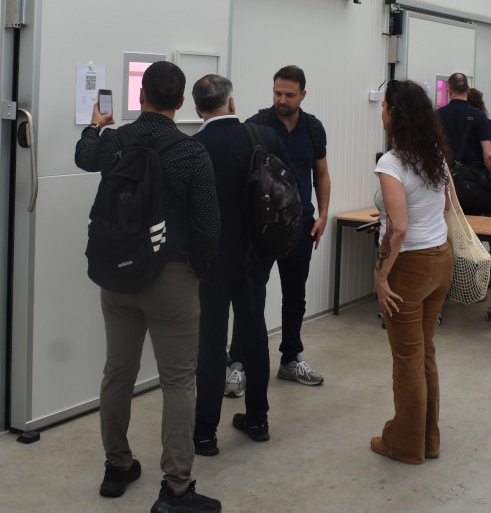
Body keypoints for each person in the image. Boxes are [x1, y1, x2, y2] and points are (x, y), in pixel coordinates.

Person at [75, 61, 222, 513]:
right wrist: (196, 272)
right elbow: (208, 226)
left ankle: (117, 466)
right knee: (177, 381)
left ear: (140, 96)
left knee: (117, 373)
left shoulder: (116, 141)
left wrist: (95, 126)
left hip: (118, 276)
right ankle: (176, 489)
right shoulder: (192, 153)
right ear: (180, 103)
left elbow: (84, 157)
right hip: (171, 279)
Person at [190, 75, 283, 456]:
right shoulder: (264, 138)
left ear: (197, 109)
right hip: (255, 258)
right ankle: (258, 420)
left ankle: (204, 434)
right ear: (231, 103)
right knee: (254, 334)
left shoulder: (192, 149)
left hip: (211, 263)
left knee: (211, 344)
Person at [228, 65, 329, 392]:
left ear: (303, 94)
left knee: (295, 296)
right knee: (250, 296)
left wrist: (323, 214)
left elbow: (321, 174)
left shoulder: (313, 129)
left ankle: (290, 359)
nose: (282, 100)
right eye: (277, 93)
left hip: (301, 226)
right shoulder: (255, 125)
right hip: (260, 230)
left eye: (289, 94)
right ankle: (237, 363)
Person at [369, 79, 454, 465]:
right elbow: (447, 206)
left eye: (384, 105)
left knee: (407, 358)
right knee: (425, 352)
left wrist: (380, 274)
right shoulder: (434, 155)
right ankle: (428, 440)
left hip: (410, 266)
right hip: (441, 260)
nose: (381, 111)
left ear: (395, 114)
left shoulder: (391, 163)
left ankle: (404, 445)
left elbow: (398, 228)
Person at [436, 73, 491, 275]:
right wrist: (486, 176)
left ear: (448, 90)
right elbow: (489, 154)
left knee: (446, 229)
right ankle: (470, 277)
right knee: (471, 230)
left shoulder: (438, 115)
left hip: (444, 182)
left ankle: (447, 276)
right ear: (468, 91)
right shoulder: (478, 116)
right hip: (471, 184)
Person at [466, 88, 491, 288]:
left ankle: (478, 275)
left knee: (477, 230)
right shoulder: (489, 124)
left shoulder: (474, 125)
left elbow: (488, 156)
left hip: (481, 184)